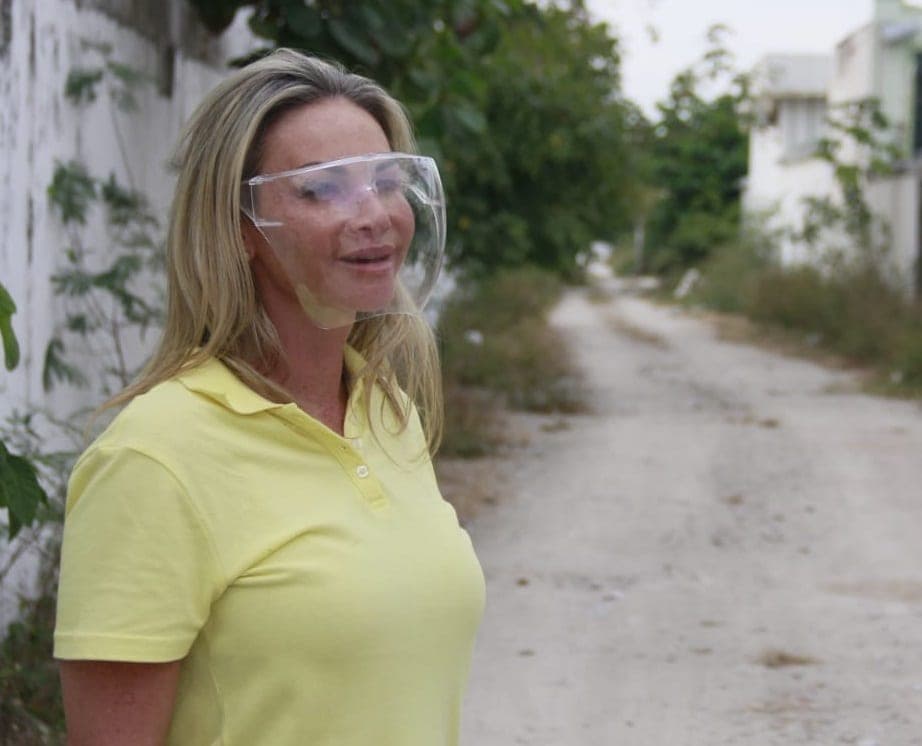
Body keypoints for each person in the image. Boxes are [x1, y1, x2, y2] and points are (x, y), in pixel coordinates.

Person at [53, 48, 485, 746]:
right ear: (240, 228)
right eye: (322, 189)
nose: (374, 214)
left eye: (386, 181)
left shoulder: (385, 413)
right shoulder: (155, 456)